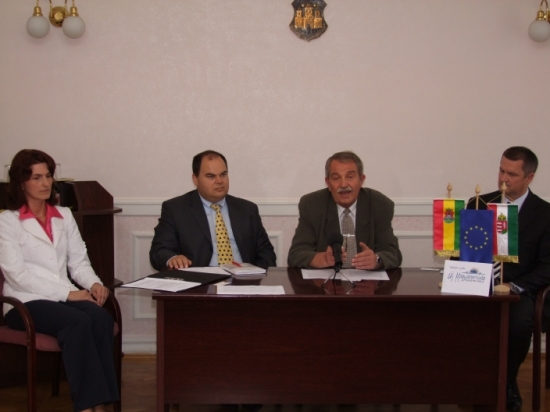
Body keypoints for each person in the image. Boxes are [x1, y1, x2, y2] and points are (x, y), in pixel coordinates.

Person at [0, 149, 119, 412]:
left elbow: (78, 262)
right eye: (37, 177)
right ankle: (87, 407)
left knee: (101, 318)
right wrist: (68, 294)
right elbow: (17, 275)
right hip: (24, 301)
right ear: (21, 182)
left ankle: (101, 403)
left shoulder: (64, 215)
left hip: (62, 297)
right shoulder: (7, 221)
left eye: (48, 176)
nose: (45, 183)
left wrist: (94, 283)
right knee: (77, 322)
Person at [466, 146, 550, 412]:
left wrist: (514, 286)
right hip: (479, 283)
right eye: (501, 171)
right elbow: (464, 251)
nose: (503, 178)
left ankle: (506, 382)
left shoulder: (545, 213)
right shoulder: (478, 204)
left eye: (512, 174)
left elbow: (547, 267)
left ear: (529, 177)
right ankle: (466, 382)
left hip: (521, 291)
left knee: (518, 324)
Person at [149, 150, 276, 271]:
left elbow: (266, 252)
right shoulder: (175, 209)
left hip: (243, 280)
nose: (219, 181)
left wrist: (257, 276)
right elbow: (159, 250)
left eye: (223, 174)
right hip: (200, 282)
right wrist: (173, 258)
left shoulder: (247, 209)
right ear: (195, 179)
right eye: (211, 176)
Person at [288, 150, 402, 270]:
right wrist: (323, 259)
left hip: (366, 281)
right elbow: (296, 254)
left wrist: (376, 259)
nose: (343, 184)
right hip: (327, 280)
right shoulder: (312, 205)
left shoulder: (379, 205)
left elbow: (393, 253)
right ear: (328, 183)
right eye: (336, 178)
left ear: (361, 180)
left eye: (350, 177)